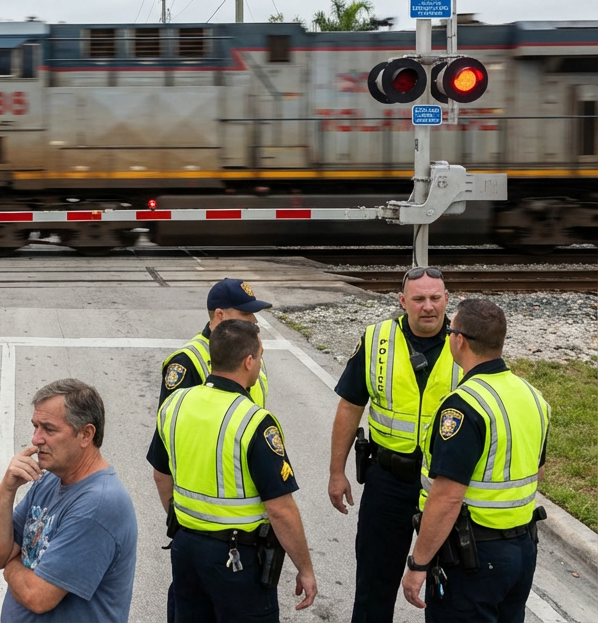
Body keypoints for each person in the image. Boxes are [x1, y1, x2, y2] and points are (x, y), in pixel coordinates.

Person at [152, 319, 317, 621]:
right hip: (237, 560)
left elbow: (161, 475)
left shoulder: (174, 405)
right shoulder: (253, 421)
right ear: (248, 361)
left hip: (186, 549)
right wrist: (305, 569)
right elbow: (280, 509)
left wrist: (187, 521)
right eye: (260, 356)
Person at [402, 299, 550, 620]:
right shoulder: (532, 396)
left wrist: (418, 564)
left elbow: (447, 497)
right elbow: (536, 472)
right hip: (522, 550)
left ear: (460, 340)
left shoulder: (464, 406)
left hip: (474, 558)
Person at [328, 266, 462, 622]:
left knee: (452, 591)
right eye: (418, 299)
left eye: (435, 298)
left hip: (444, 485)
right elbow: (350, 406)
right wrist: (336, 472)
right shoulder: (377, 339)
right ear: (402, 301)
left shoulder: (466, 342)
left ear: (447, 299)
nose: (428, 306)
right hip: (388, 480)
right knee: (374, 587)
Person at [146, 277, 272, 622]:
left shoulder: (246, 349)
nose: (254, 323)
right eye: (246, 316)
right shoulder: (188, 363)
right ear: (219, 315)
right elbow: (164, 457)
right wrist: (181, 523)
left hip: (247, 525)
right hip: (203, 532)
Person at [0, 379, 138, 622]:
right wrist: (7, 490)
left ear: (86, 434)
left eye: (49, 429)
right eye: (35, 427)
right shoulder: (49, 480)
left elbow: (37, 596)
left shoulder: (98, 505)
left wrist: (11, 564)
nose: (36, 439)